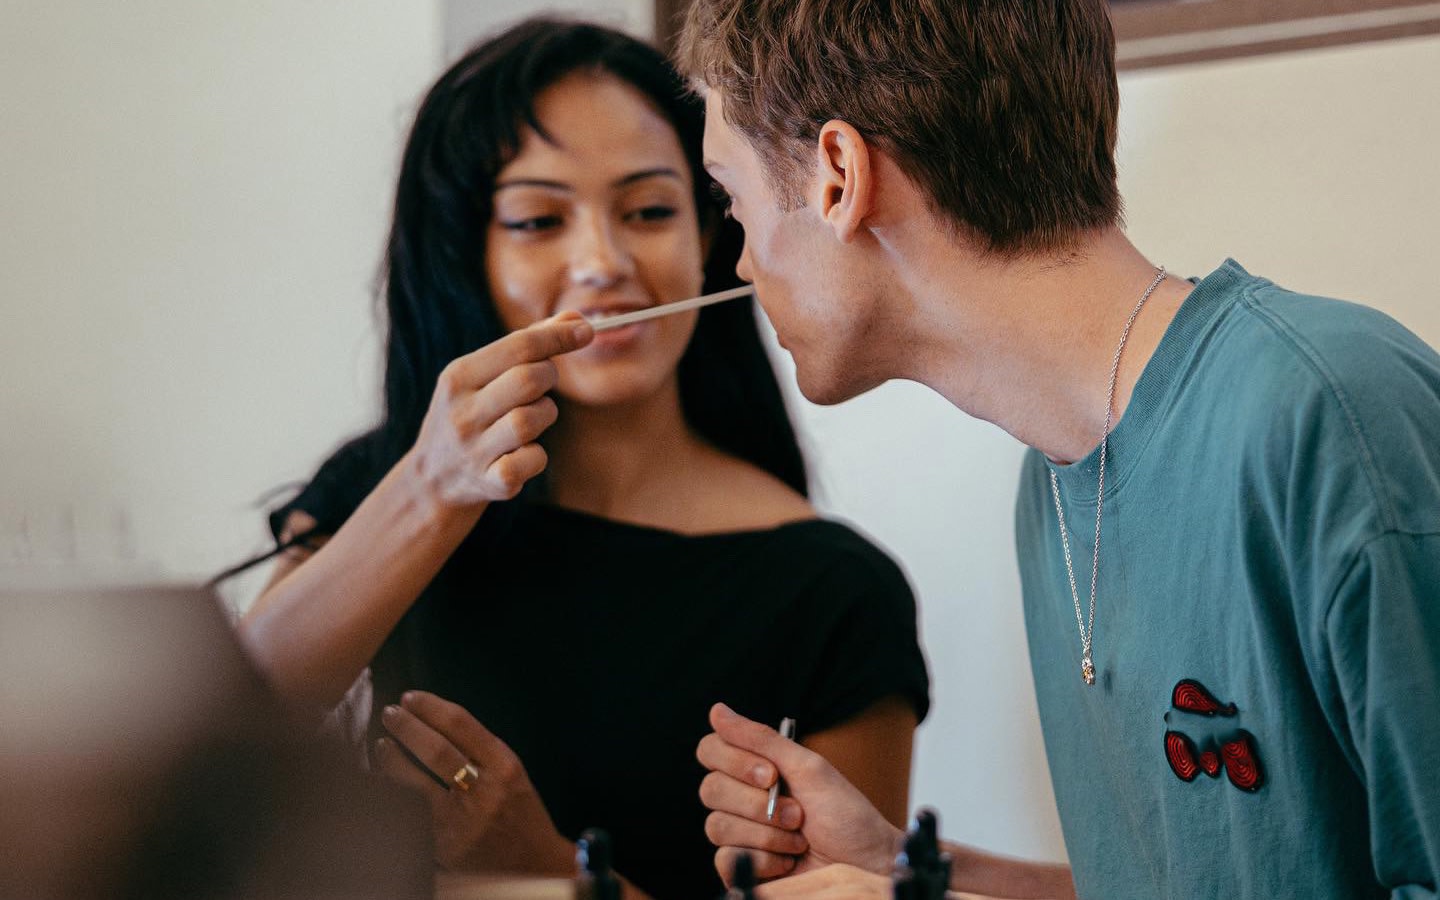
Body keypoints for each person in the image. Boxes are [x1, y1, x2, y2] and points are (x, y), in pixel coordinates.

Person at [678, 1, 1440, 898]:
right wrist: (908, 872)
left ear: (838, 176)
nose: (739, 263)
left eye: (731, 202)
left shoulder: (1332, 415)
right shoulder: (1049, 485)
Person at [234, 17, 930, 900]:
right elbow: (219, 743)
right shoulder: (381, 485)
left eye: (647, 211)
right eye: (537, 219)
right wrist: (429, 488)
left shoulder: (834, 594)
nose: (602, 262)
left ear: (715, 236)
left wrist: (549, 868)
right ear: (465, 256)